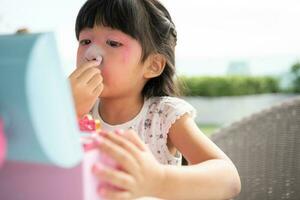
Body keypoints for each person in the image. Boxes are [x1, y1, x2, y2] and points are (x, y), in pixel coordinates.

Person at [69, 0, 241, 199]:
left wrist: (158, 179)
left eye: (113, 43)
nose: (91, 55)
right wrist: (67, 113)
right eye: (85, 41)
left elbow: (229, 178)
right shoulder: (74, 112)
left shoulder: (164, 116)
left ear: (153, 65)